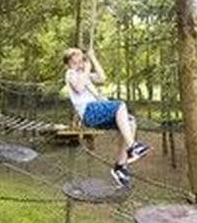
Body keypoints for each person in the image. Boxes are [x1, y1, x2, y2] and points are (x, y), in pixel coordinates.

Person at [63, 47, 151, 188]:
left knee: (130, 122)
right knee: (119, 105)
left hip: (97, 112)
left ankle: (120, 167)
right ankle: (132, 147)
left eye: (80, 61)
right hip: (89, 112)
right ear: (68, 65)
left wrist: (93, 58)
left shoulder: (83, 74)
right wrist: (85, 70)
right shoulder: (71, 74)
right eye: (74, 62)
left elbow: (102, 77)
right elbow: (79, 88)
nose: (78, 65)